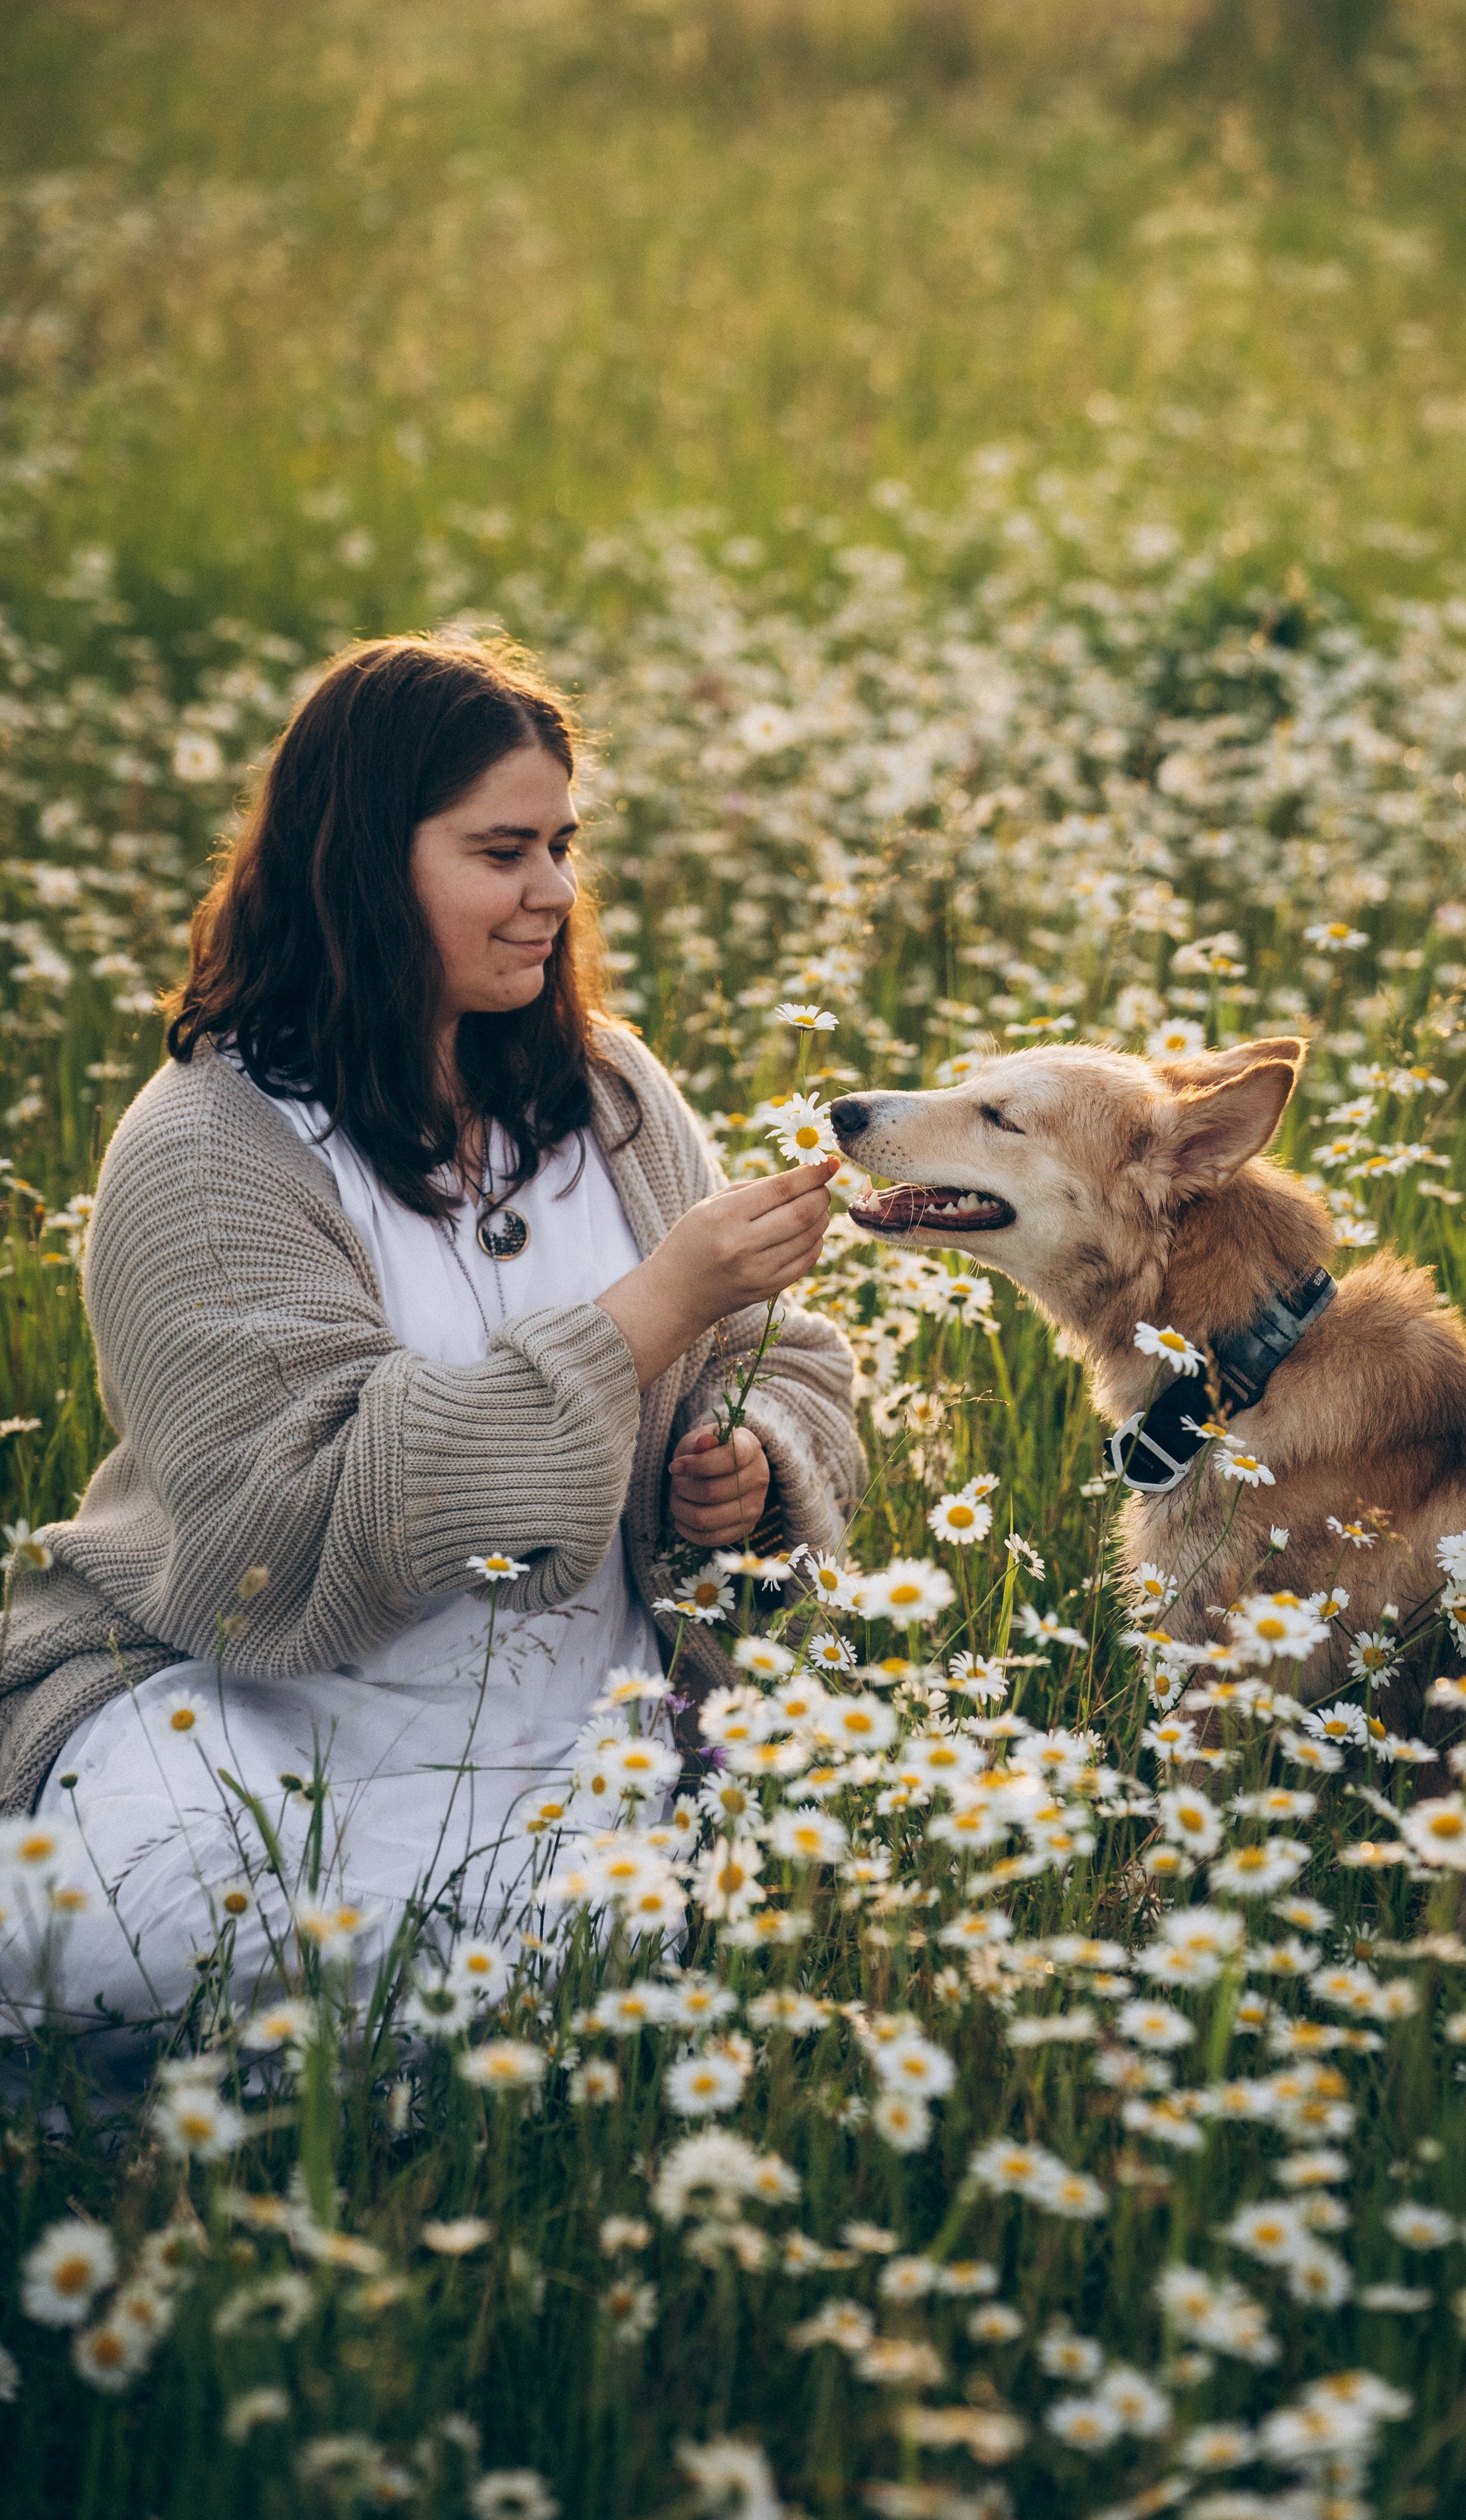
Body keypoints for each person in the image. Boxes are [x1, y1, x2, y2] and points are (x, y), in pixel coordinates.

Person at [0, 635, 864, 2033]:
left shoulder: (612, 1097)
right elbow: (283, 1527)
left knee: (571, 1973)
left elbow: (795, 1361)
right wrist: (653, 1312)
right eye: (502, 852)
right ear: (361, 867)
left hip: (581, 1707)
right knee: (129, 1950)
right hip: (268, 1697)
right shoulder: (212, 1150)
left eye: (563, 847)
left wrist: (752, 1461)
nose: (553, 896)